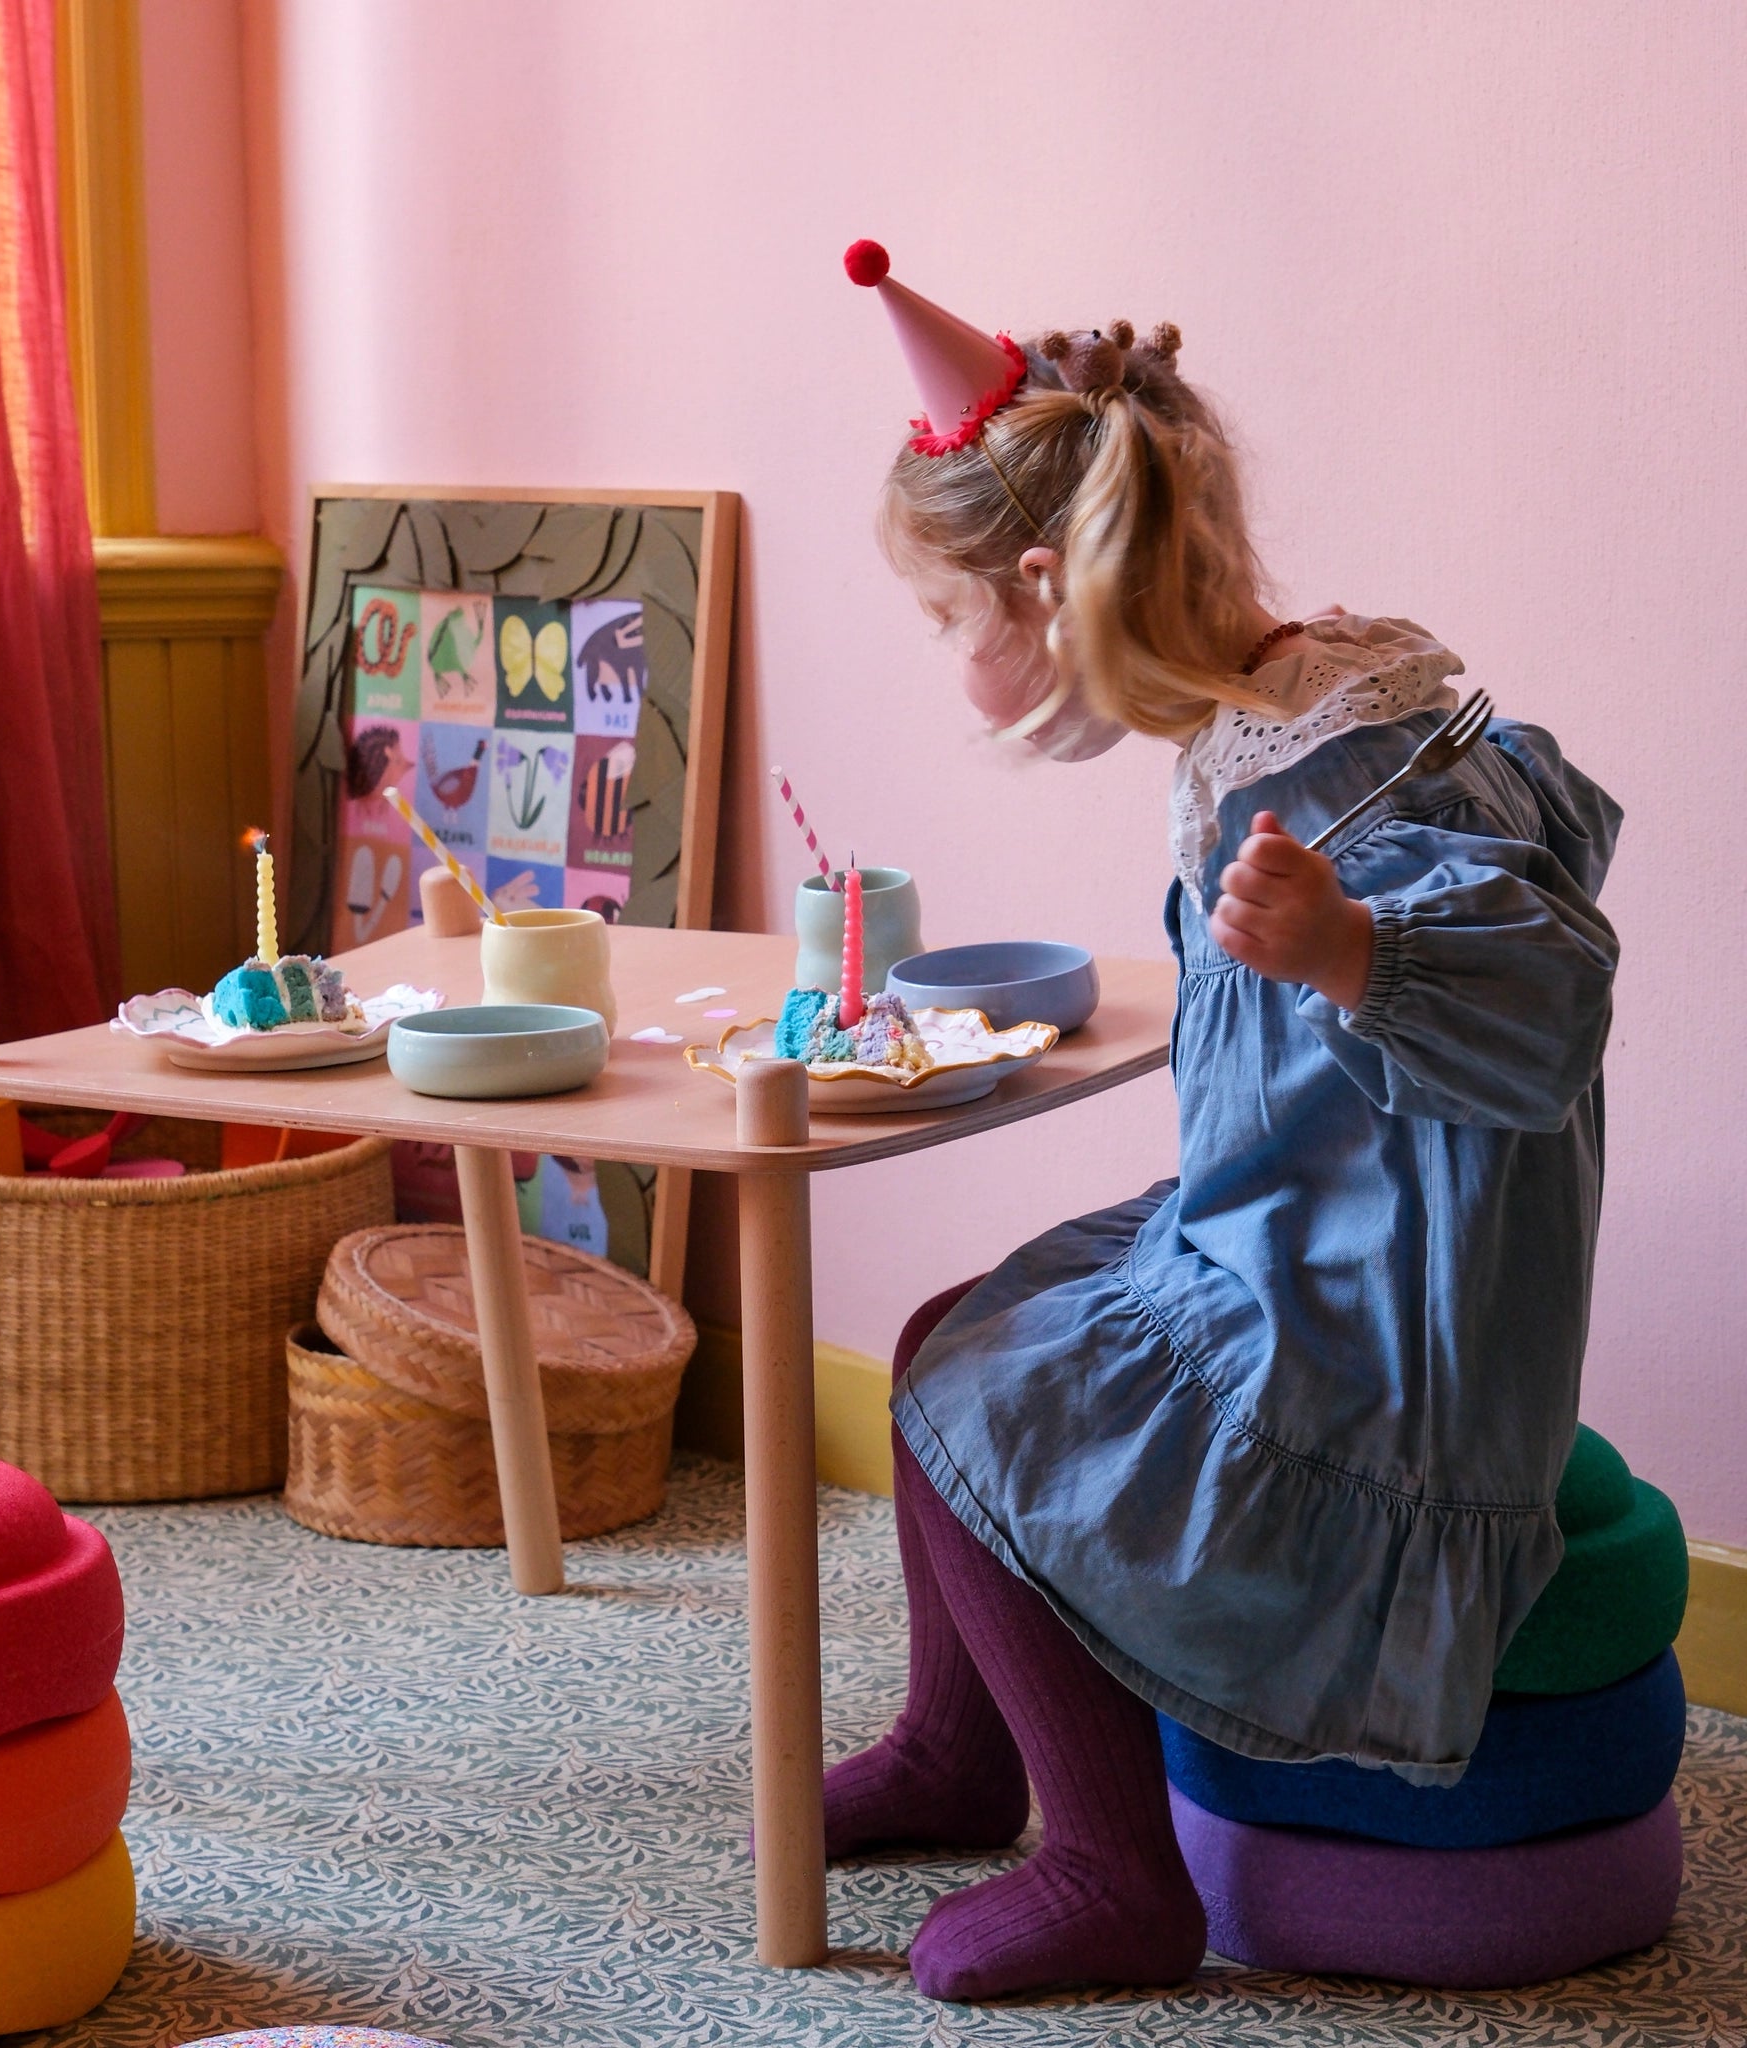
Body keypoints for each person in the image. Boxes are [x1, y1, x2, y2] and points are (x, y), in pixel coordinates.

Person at [827, 243, 1622, 2002]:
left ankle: (1116, 1873)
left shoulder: (1345, 762)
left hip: (1381, 1347)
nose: (953, 657)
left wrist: (1355, 948)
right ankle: (964, 1753)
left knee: (981, 1395)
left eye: (952, 620)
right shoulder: (1280, 704)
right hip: (1299, 1240)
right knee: (935, 1339)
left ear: (1045, 584)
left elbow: (1555, 995)